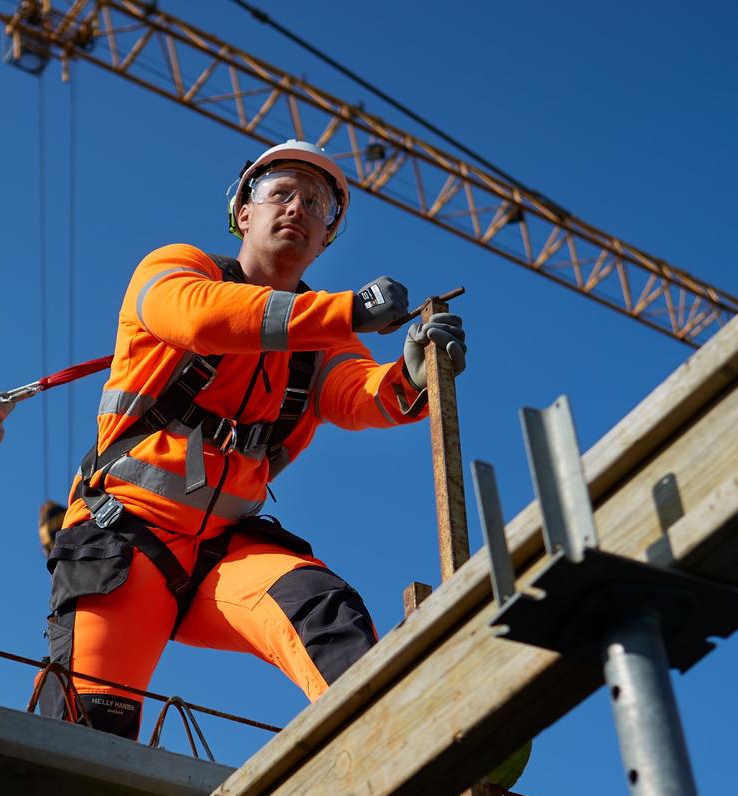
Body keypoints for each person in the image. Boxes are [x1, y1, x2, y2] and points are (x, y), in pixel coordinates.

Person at [37, 140, 467, 740]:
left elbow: (358, 391)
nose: (297, 208)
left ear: (326, 239)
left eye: (316, 204)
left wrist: (413, 375)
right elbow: (201, 319)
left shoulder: (325, 331)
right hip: (126, 535)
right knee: (90, 733)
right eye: (280, 194)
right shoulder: (178, 268)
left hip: (223, 550)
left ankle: (401, 753)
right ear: (244, 212)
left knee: (323, 610)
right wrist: (349, 311)